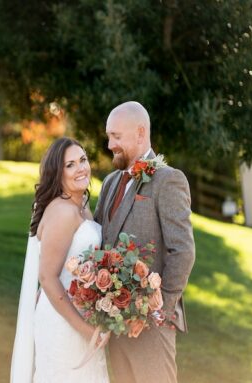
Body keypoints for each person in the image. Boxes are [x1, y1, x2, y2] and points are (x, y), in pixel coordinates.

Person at [94, 101, 195, 383]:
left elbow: (183, 251)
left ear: (140, 133)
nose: (110, 144)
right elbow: (99, 241)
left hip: (151, 330)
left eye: (116, 136)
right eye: (108, 136)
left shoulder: (168, 180)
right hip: (114, 327)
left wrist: (157, 313)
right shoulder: (110, 182)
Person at [11, 137, 109, 383]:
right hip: (63, 322)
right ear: (58, 173)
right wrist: (85, 329)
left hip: (81, 316)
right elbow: (47, 277)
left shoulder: (81, 205)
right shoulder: (62, 212)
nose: (81, 168)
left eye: (83, 160)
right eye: (70, 165)